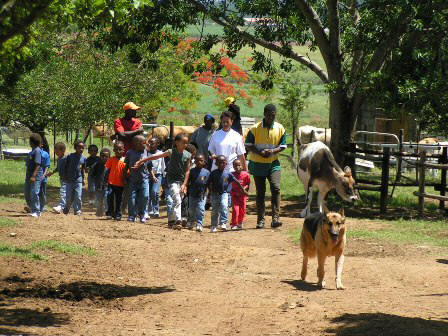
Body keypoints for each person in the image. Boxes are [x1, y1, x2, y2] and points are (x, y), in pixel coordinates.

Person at [133, 133, 191, 230]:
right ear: (177, 143)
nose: (185, 145)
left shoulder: (187, 155)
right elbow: (155, 157)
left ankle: (171, 221)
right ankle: (178, 221)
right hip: (172, 180)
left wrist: (185, 184)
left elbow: (187, 170)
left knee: (177, 201)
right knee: (177, 199)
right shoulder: (171, 152)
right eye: (183, 142)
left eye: (186, 143)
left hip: (181, 181)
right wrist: (142, 161)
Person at [245, 104, 286, 229]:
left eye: (273, 115)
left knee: (276, 188)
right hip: (258, 165)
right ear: (264, 114)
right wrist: (260, 152)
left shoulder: (280, 128)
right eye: (268, 115)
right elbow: (248, 144)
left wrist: (272, 152)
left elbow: (283, 145)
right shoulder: (255, 128)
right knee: (261, 193)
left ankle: (275, 218)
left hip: (273, 164)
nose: (271, 118)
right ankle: (261, 220)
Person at [114, 101, 144, 214]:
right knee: (120, 179)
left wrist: (128, 135)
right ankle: (117, 205)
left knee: (130, 180)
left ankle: (126, 206)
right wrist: (136, 132)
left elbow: (138, 137)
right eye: (133, 110)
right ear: (127, 111)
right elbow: (121, 135)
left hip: (134, 156)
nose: (136, 112)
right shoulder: (118, 121)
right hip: (121, 154)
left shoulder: (138, 122)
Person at [208, 155, 248, 233]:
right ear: (216, 164)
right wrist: (209, 192)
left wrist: (243, 190)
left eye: (223, 163)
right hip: (215, 194)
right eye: (219, 163)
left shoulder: (228, 174)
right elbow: (209, 183)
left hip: (224, 193)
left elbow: (236, 181)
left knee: (224, 206)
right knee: (215, 210)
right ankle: (213, 225)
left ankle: (223, 223)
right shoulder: (213, 173)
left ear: (226, 163)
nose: (221, 164)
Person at [124, 135, 151, 223]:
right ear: (137, 144)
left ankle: (142, 214)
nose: (146, 144)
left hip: (144, 179)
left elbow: (150, 165)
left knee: (145, 196)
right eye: (144, 143)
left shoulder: (146, 152)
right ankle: (132, 215)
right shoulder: (129, 153)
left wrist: (152, 175)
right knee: (132, 198)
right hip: (133, 179)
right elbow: (126, 166)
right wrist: (125, 176)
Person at [187, 154, 210, 232]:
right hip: (192, 194)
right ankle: (191, 221)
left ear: (204, 162)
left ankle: (199, 224)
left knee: (200, 209)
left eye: (201, 160)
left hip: (202, 194)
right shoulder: (192, 171)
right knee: (191, 209)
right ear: (195, 161)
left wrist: (208, 193)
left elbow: (208, 184)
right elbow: (188, 182)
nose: (199, 162)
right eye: (197, 160)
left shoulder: (207, 172)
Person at [63, 140, 86, 215]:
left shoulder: (83, 158)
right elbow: (65, 167)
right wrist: (65, 176)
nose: (81, 149)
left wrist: (83, 179)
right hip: (69, 180)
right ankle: (67, 207)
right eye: (79, 148)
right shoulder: (70, 156)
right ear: (75, 148)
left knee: (78, 196)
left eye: (83, 148)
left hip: (78, 180)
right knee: (69, 196)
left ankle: (77, 210)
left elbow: (83, 169)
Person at [105, 141, 126, 220]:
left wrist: (126, 180)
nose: (118, 151)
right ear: (113, 150)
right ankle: (110, 212)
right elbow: (107, 170)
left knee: (119, 200)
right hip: (111, 183)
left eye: (120, 149)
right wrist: (104, 181)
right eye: (116, 149)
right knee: (109, 197)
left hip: (120, 184)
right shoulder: (111, 159)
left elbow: (127, 172)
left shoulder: (125, 160)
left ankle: (118, 214)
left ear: (123, 150)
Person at [24, 133, 43, 218]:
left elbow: (38, 164)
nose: (29, 142)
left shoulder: (37, 151)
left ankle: (37, 211)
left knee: (34, 193)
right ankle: (32, 208)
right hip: (28, 176)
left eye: (30, 141)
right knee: (27, 193)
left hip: (35, 177)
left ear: (33, 142)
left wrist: (34, 176)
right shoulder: (32, 151)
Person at [146, 137, 165, 219]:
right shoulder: (146, 153)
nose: (150, 145)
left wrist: (164, 175)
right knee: (148, 193)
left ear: (158, 144)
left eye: (152, 143)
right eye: (149, 143)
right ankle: (150, 210)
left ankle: (156, 209)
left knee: (154, 192)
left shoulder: (160, 153)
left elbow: (163, 165)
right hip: (148, 175)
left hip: (158, 175)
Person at [46, 142, 67, 214]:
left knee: (63, 192)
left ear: (63, 150)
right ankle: (65, 206)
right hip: (62, 178)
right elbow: (58, 168)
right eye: (55, 152)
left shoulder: (66, 159)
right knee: (65, 192)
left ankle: (61, 206)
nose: (56, 153)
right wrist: (52, 172)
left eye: (57, 151)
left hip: (67, 179)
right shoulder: (59, 159)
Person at [89, 147, 111, 217]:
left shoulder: (110, 165)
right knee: (99, 200)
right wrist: (92, 185)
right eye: (102, 156)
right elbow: (92, 175)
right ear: (100, 156)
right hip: (98, 186)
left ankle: (108, 212)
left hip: (107, 186)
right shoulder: (96, 165)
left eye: (106, 156)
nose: (104, 158)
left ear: (109, 157)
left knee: (106, 199)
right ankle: (99, 211)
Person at [230, 159, 250, 230]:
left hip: (243, 196)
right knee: (235, 209)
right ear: (233, 166)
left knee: (243, 210)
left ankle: (240, 222)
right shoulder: (231, 175)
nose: (238, 167)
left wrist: (244, 189)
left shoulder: (246, 174)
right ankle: (234, 224)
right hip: (235, 195)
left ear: (242, 165)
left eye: (239, 165)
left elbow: (248, 184)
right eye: (235, 165)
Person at [39, 146, 51, 213]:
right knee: (35, 192)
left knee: (42, 193)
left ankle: (42, 206)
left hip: (43, 178)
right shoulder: (32, 152)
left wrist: (44, 175)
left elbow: (47, 166)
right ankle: (35, 206)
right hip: (35, 177)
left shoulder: (45, 154)